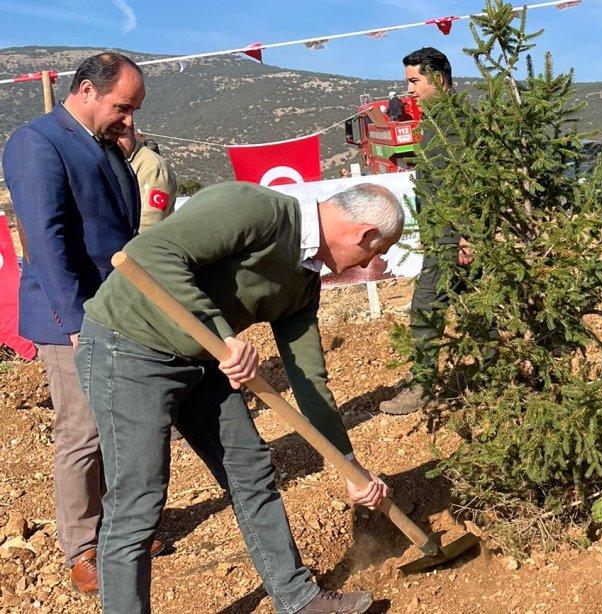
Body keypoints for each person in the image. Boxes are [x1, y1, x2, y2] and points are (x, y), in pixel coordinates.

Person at [77, 181, 402, 613]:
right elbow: (149, 255)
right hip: (129, 346)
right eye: (378, 251)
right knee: (139, 499)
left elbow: (308, 375)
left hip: (202, 358)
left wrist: (347, 462)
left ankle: (298, 599)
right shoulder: (255, 209)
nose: (374, 262)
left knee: (251, 471)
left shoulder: (304, 282)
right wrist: (224, 335)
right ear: (364, 235)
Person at [1, 51, 164, 593]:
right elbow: (44, 239)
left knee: (117, 422)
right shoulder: (35, 142)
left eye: (134, 110)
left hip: (114, 308)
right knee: (83, 430)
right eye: (122, 107)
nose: (129, 120)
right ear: (86, 91)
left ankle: (119, 530)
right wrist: (75, 319)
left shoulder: (103, 145)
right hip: (68, 314)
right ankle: (83, 547)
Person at [380, 47, 473, 415]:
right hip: (445, 234)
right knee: (476, 308)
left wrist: (468, 235)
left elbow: (466, 183)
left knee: (425, 307)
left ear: (437, 77)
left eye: (414, 80)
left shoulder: (454, 122)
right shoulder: (436, 121)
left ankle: (424, 384)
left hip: (456, 238)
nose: (410, 89)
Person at [117, 127, 177, 232]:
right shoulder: (116, 160)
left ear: (132, 133)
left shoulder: (153, 167)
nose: (116, 141)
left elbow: (148, 226)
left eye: (121, 134)